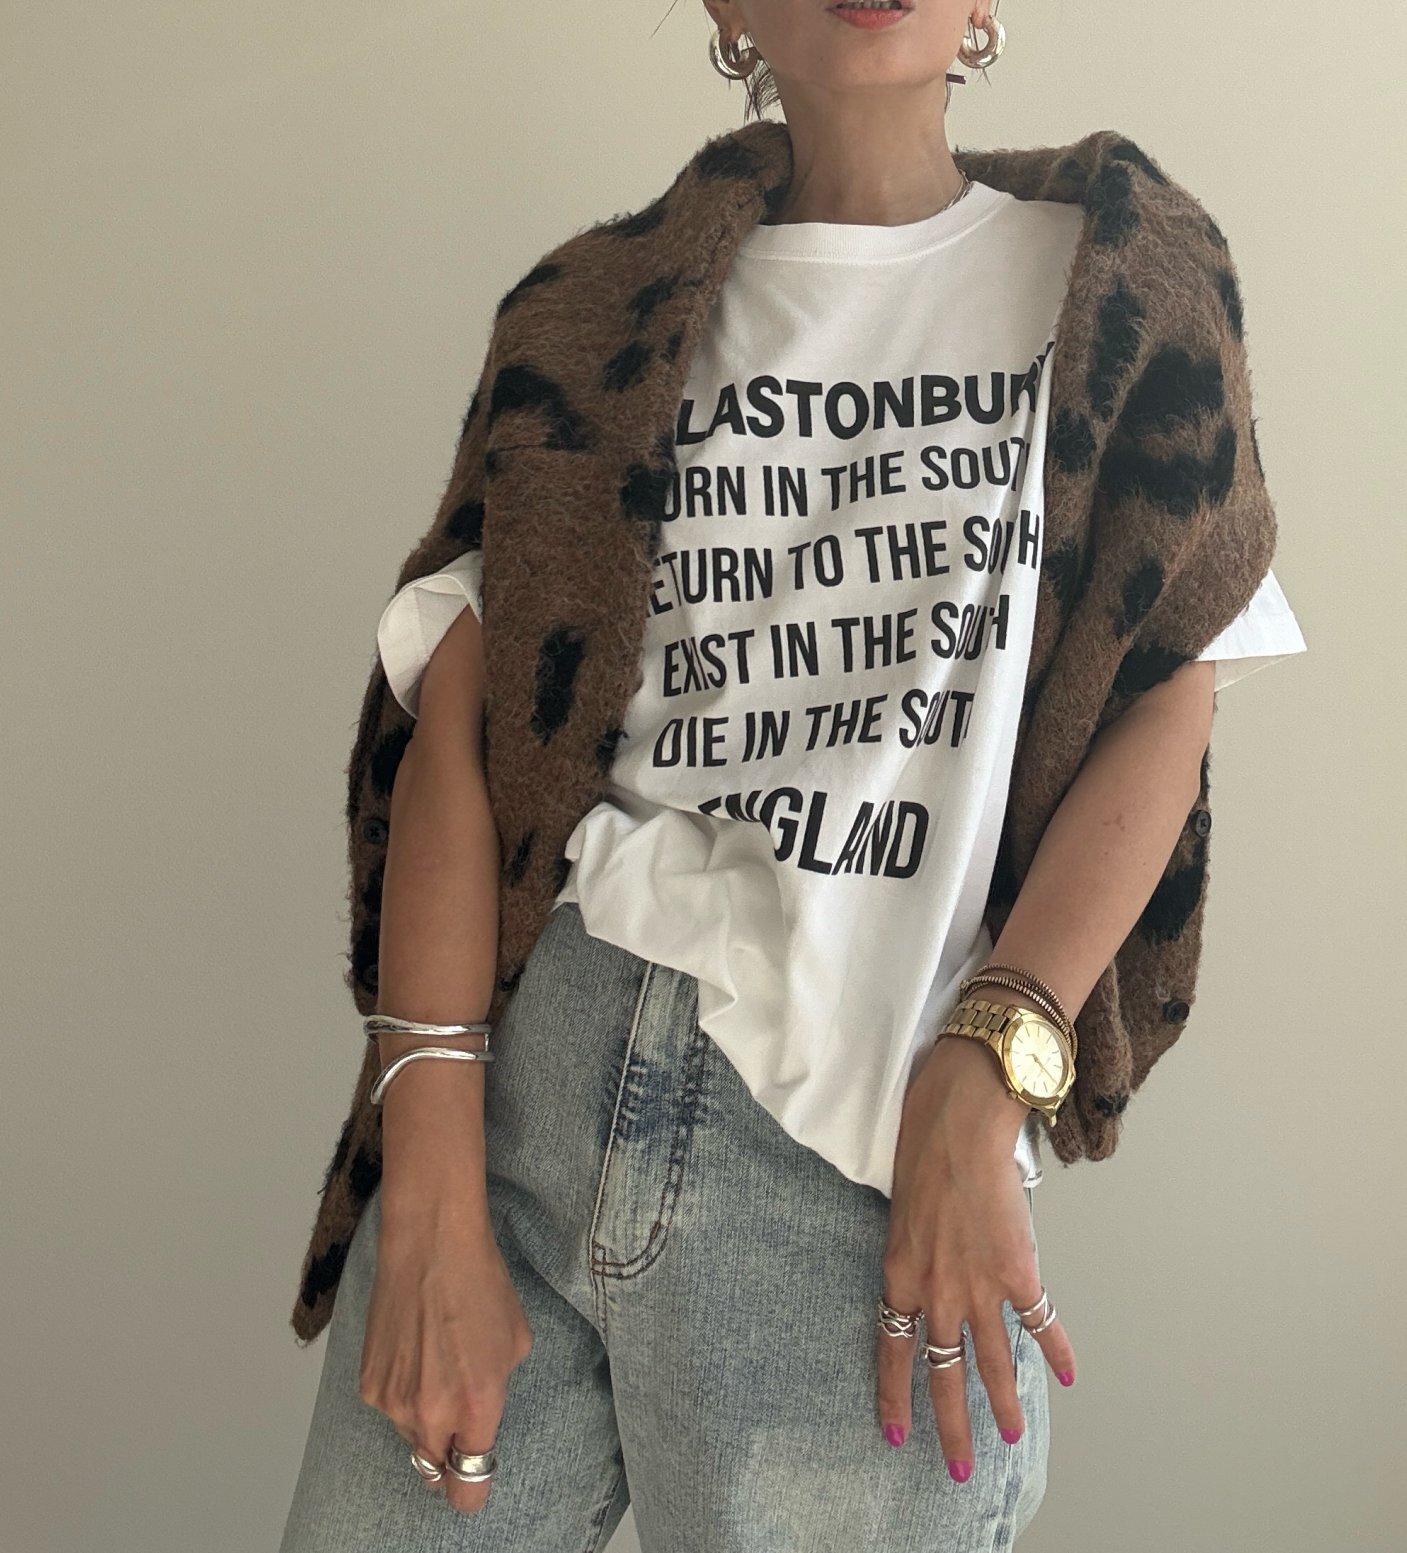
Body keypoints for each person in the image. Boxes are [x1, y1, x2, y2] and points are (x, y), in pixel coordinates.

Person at [279, 2, 1307, 1548]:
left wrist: (996, 1056)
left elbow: (1168, 692)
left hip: (850, 1168)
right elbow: (462, 735)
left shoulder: (1125, 283)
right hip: (518, 1104)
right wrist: (428, 1168)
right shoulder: (590, 311)